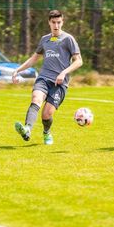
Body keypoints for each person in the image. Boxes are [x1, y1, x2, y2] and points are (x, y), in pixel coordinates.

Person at [12, 10, 83, 145]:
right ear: (49, 22)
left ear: (62, 22)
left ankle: (46, 132)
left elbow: (79, 61)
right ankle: (27, 129)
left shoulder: (68, 39)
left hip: (59, 83)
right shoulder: (44, 39)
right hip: (43, 78)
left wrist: (63, 73)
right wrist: (17, 70)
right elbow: (34, 58)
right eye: (53, 22)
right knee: (36, 99)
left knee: (46, 114)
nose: (56, 25)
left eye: (59, 22)